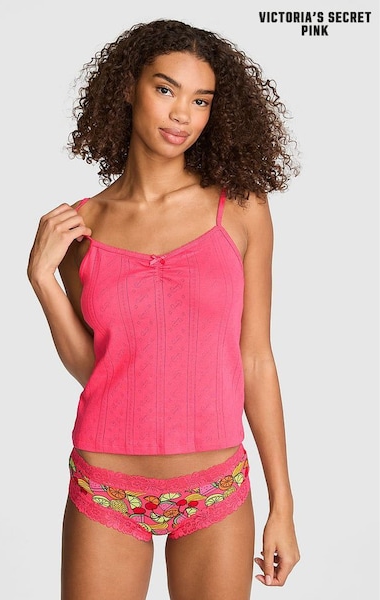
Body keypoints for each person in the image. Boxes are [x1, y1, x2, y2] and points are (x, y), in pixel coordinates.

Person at [27, 19, 300, 600]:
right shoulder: (82, 225)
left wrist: (283, 503)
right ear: (129, 87)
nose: (183, 115)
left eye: (201, 100)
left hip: (215, 488)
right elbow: (98, 367)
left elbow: (255, 358)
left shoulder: (241, 209)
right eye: (166, 89)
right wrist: (42, 281)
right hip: (105, 488)